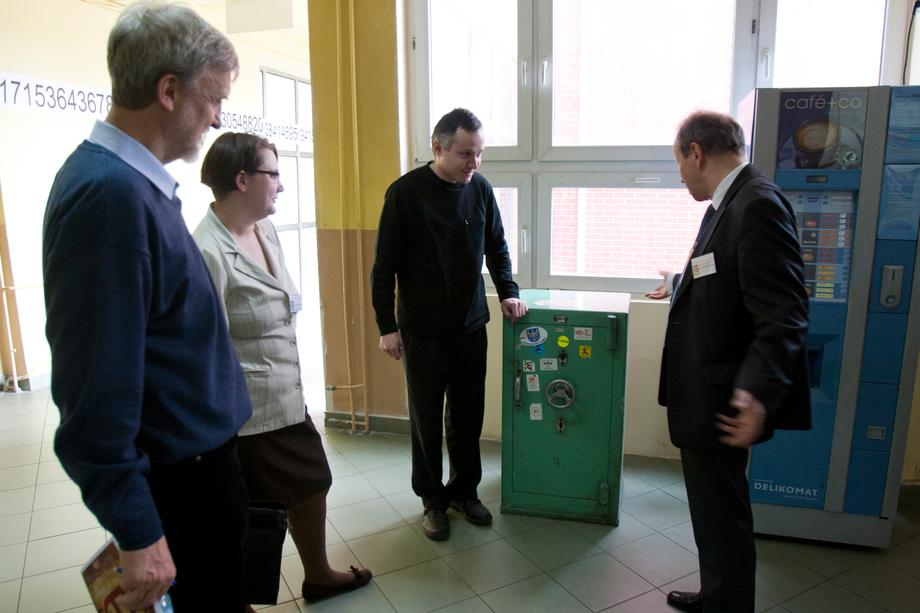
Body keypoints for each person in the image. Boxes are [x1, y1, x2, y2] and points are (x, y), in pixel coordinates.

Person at [42, 3, 252, 610]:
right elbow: (94, 390)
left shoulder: (133, 186)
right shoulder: (109, 198)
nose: (217, 118)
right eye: (213, 99)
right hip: (179, 486)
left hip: (199, 469)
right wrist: (137, 529)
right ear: (168, 91)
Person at [193, 132, 373, 602]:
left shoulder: (264, 229)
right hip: (247, 414)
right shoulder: (208, 252)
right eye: (273, 174)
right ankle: (237, 601)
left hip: (286, 395)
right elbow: (204, 347)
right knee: (247, 512)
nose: (281, 184)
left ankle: (318, 574)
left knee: (312, 482)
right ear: (242, 180)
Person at [647, 111, 811, 612]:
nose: (680, 175)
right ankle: (718, 594)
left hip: (724, 398)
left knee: (723, 512)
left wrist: (755, 393)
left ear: (696, 153)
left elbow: (784, 313)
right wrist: (680, 284)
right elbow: (729, 276)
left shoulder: (756, 204)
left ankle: (728, 605)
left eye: (679, 162)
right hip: (708, 390)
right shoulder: (731, 200)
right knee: (714, 511)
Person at [371, 108, 526, 541]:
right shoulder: (405, 194)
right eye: (465, 154)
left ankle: (464, 492)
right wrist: (386, 325)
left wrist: (509, 290)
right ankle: (432, 501)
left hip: (470, 325)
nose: (474, 163)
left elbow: (497, 246)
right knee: (425, 419)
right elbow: (384, 267)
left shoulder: (481, 190)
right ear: (438, 148)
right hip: (422, 330)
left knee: (467, 415)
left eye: (479, 154)